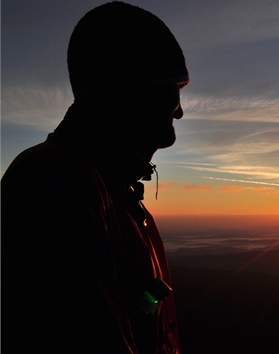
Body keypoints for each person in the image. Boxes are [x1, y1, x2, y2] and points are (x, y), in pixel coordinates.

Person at [2, 2, 189, 353]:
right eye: (164, 112)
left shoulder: (116, 196)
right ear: (122, 101)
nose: (169, 138)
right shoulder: (53, 183)